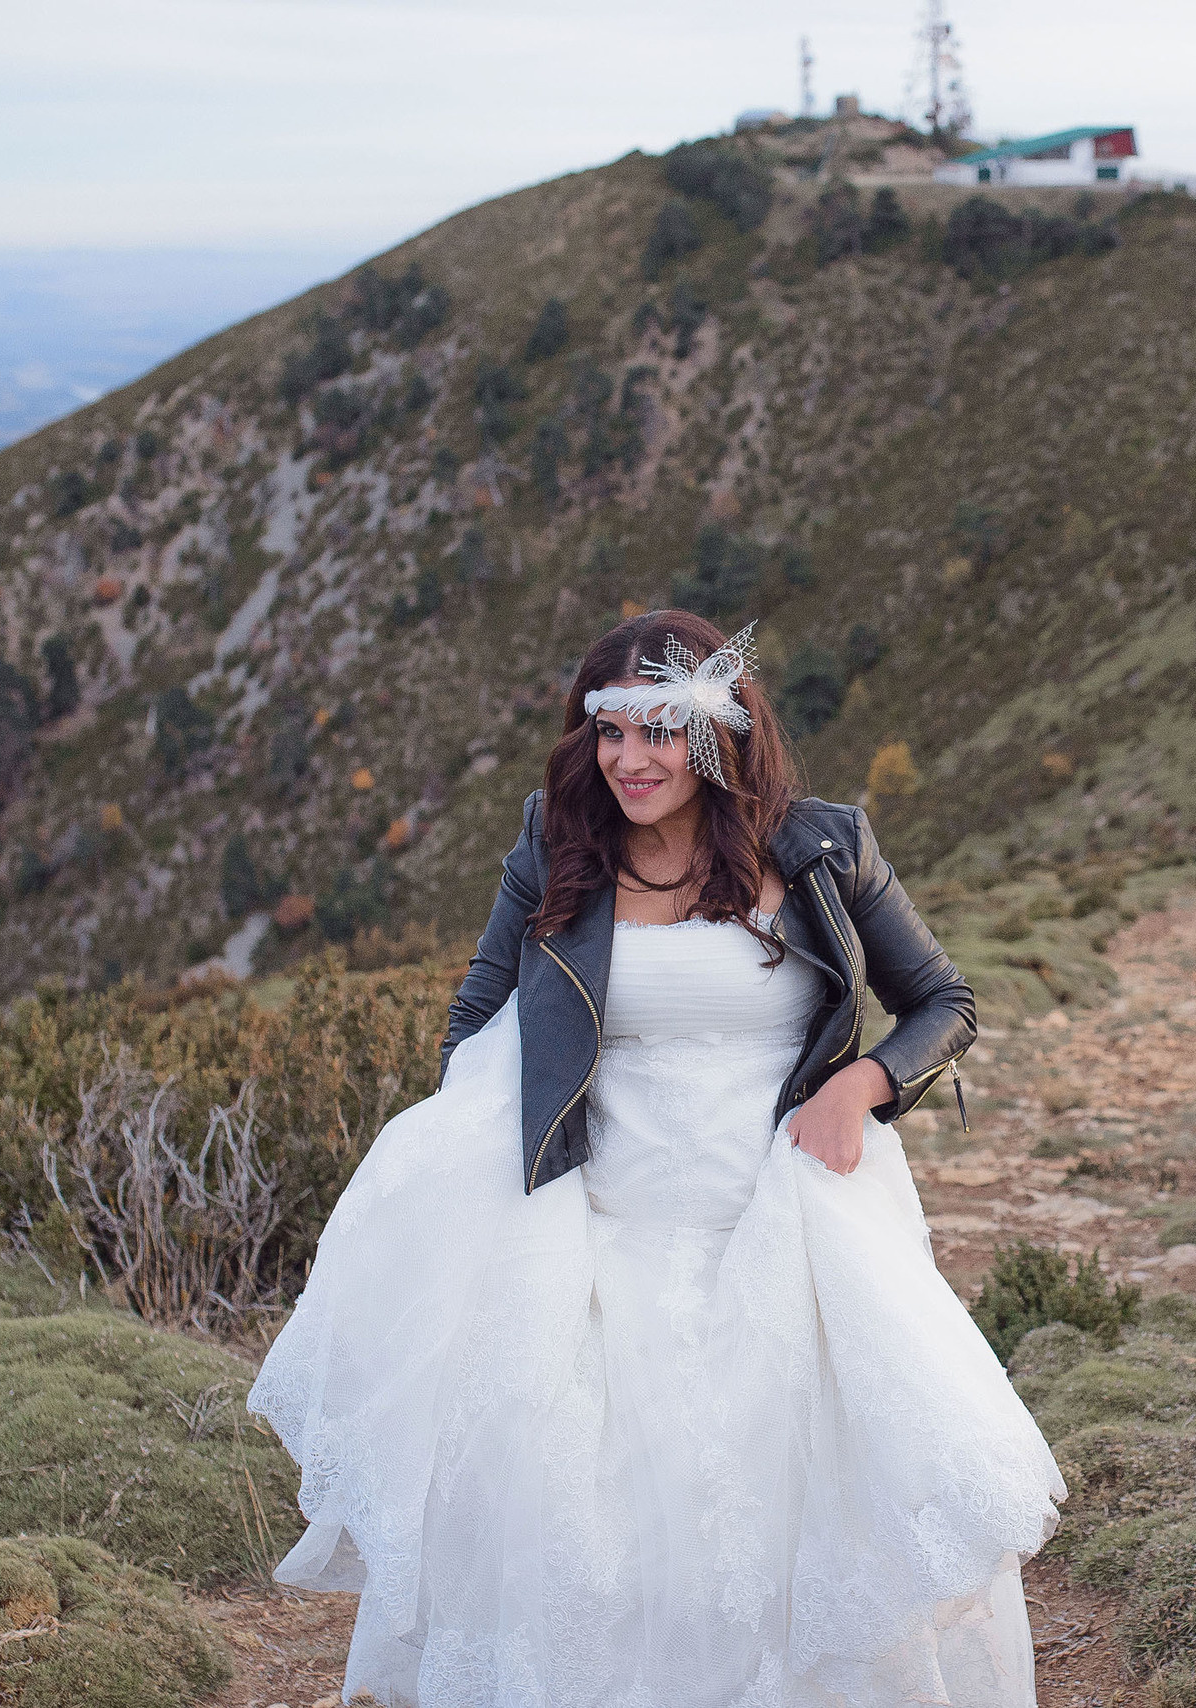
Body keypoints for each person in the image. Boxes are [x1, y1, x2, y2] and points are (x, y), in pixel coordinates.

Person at [251, 610, 1066, 1706]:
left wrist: (860, 1086)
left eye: (657, 733)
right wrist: (489, 1163)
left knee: (788, 1527)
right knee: (593, 1533)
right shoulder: (556, 846)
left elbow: (943, 1002)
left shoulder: (823, 844)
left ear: (718, 729)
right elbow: (478, 1018)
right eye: (609, 733)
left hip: (790, 1238)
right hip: (600, 1238)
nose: (629, 760)